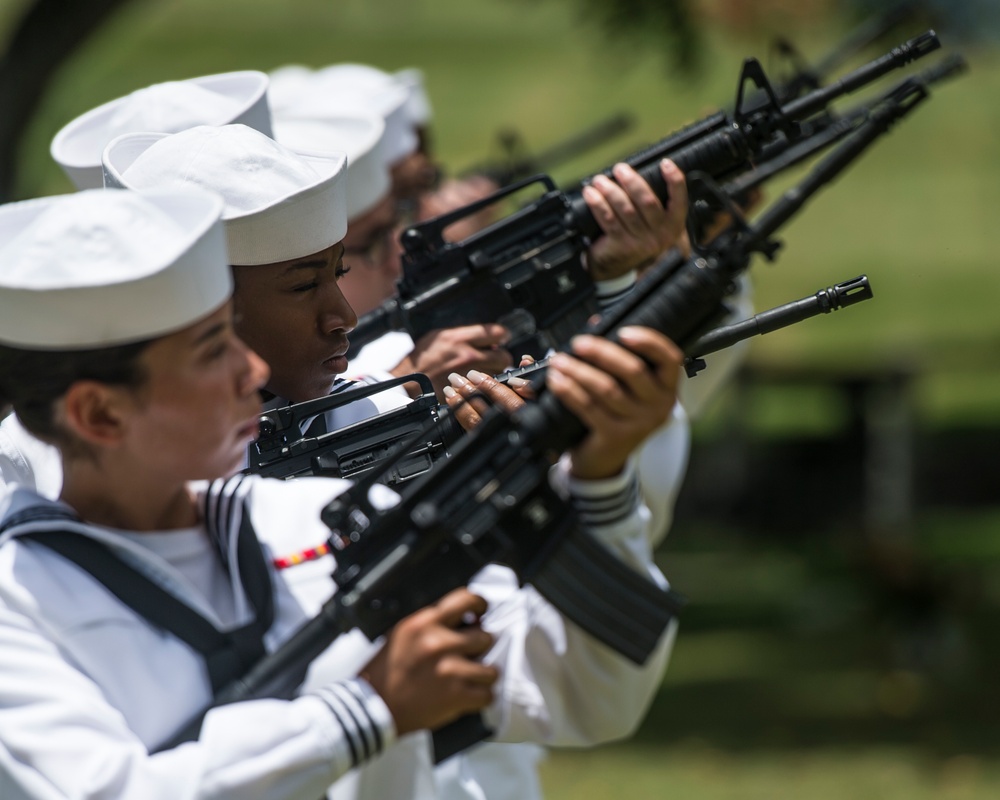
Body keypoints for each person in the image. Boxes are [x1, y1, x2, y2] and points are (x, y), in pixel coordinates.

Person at [100, 122, 685, 800]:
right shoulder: (35, 550)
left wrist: (587, 477)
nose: (342, 315)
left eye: (338, 276)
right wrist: (367, 710)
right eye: (300, 287)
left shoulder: (348, 453)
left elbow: (589, 694)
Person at [0, 186, 500, 799]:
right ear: (98, 415)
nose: (253, 371)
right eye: (214, 349)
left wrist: (582, 477)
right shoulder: (21, 601)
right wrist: (363, 711)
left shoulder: (298, 518)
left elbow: (566, 682)